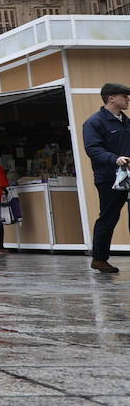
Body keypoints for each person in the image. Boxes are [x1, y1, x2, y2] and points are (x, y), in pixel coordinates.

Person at [83, 82, 130, 273]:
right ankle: (99, 259)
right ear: (111, 98)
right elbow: (93, 149)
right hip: (109, 178)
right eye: (124, 96)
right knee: (109, 217)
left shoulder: (126, 121)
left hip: (128, 174)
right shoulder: (94, 122)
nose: (127, 99)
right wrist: (114, 159)